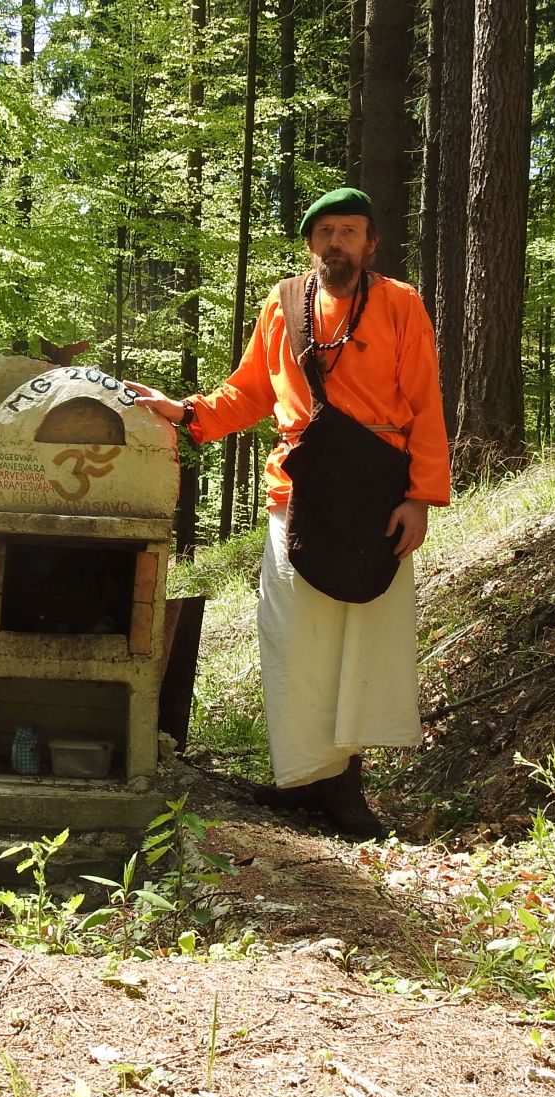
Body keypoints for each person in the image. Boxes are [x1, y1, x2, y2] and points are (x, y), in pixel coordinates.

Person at [126, 187, 451, 838]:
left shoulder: (402, 304)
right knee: (294, 639)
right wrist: (187, 412)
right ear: (311, 243)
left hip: (378, 495)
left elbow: (424, 402)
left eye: (351, 231)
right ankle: (303, 780)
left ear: (371, 242)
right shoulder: (283, 306)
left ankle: (346, 788)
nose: (338, 242)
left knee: (361, 637)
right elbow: (248, 391)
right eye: (326, 231)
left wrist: (419, 497)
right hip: (298, 492)